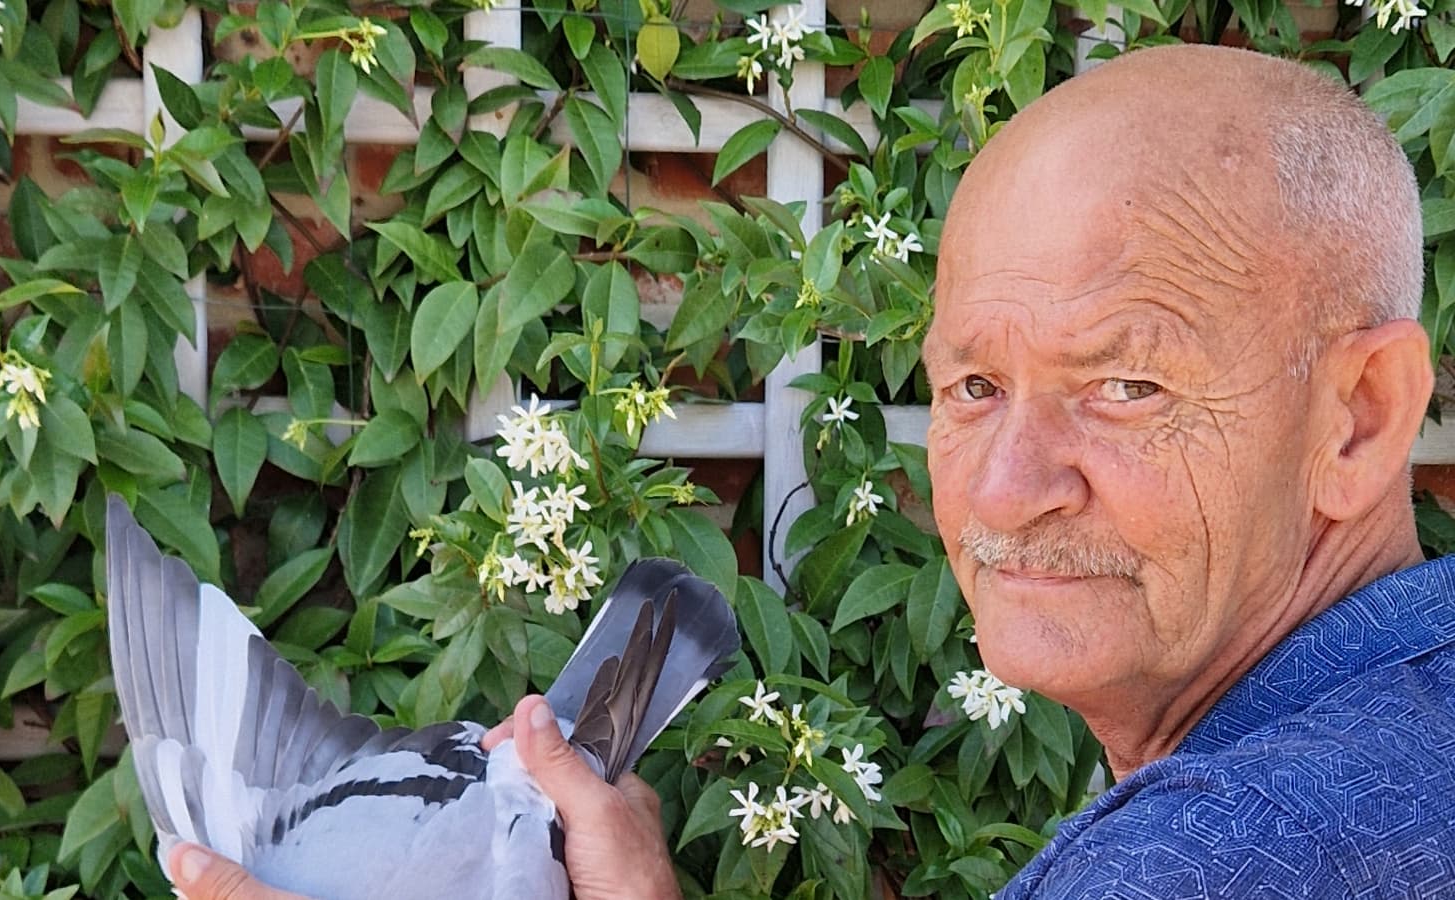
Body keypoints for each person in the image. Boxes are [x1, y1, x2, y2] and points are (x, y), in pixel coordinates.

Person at [169, 41, 1455, 899]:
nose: (1003, 492)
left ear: (1357, 419)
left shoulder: (1220, 855)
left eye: (1126, 387)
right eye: (973, 387)